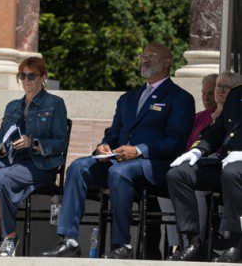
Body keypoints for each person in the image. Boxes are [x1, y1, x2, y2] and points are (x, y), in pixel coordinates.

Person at [41, 43, 195, 259]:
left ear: (167, 62)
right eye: (143, 56)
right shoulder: (128, 98)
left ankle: (122, 245)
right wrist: (103, 147)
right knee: (78, 167)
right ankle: (70, 240)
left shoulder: (180, 98)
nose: (145, 60)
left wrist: (139, 151)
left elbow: (176, 142)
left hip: (154, 165)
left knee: (119, 173)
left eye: (151, 56)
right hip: (119, 160)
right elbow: (113, 134)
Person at [0, 57, 68, 257]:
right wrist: (4, 147)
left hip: (40, 165)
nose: (26, 80)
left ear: (43, 77)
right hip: (11, 161)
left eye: (32, 76)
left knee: (2, 180)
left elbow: (60, 143)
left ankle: (10, 237)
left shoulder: (55, 104)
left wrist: (33, 143)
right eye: (22, 75)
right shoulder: (13, 106)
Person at [166, 72, 242, 262]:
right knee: (178, 174)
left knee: (231, 173)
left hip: (235, 167)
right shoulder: (236, 95)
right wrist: (198, 151)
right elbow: (219, 130)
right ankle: (193, 242)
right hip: (227, 162)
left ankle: (234, 244)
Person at [158, 73, 218, 253]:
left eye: (211, 93)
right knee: (165, 187)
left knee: (197, 188)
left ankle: (195, 242)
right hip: (191, 162)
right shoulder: (198, 117)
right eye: (203, 93)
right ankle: (177, 244)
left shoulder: (223, 116)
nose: (206, 98)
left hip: (214, 164)